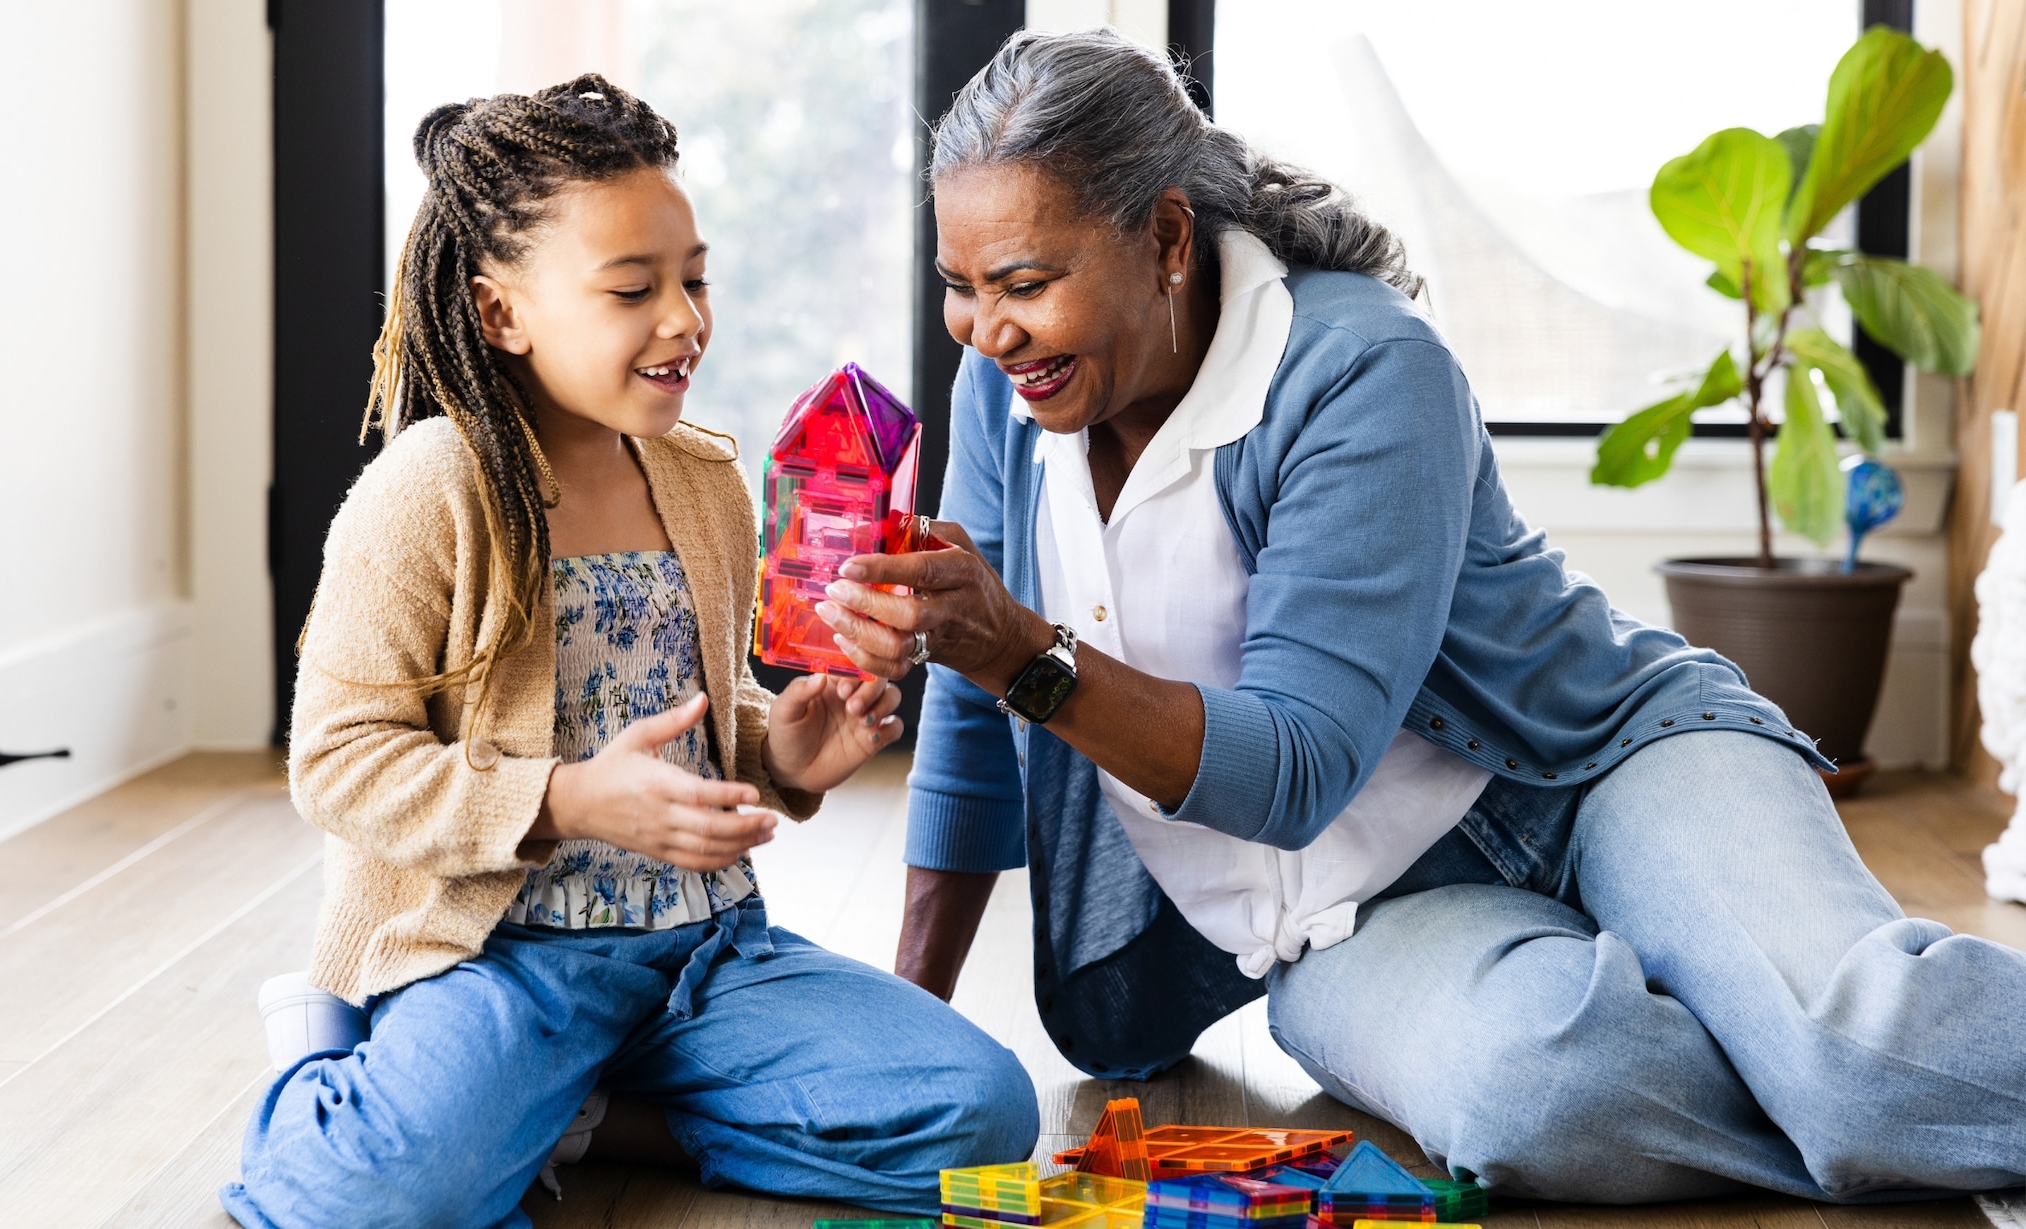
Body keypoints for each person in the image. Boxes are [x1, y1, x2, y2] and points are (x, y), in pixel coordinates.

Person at [818, 29, 2026, 1205]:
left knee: (1857, 1053)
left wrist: (1019, 648)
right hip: (1351, 916)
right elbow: (973, 710)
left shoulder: (1355, 365)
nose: (986, 328)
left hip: (1601, 767)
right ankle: (1812, 1070)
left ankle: (1838, 1072)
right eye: (959, 288)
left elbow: (1292, 765)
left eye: (1025, 284)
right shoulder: (1010, 389)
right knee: (1540, 1093)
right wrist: (912, 1028)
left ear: (1166, 237)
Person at [221, 75, 1036, 1229]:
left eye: (693, 279)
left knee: (981, 1112)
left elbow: (699, 716)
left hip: (705, 956)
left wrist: (781, 751)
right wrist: (566, 799)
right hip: (502, 957)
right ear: (501, 313)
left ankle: (578, 1115)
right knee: (368, 1198)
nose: (683, 319)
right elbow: (337, 762)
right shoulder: (426, 491)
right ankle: (328, 1053)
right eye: (631, 289)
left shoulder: (701, 478)